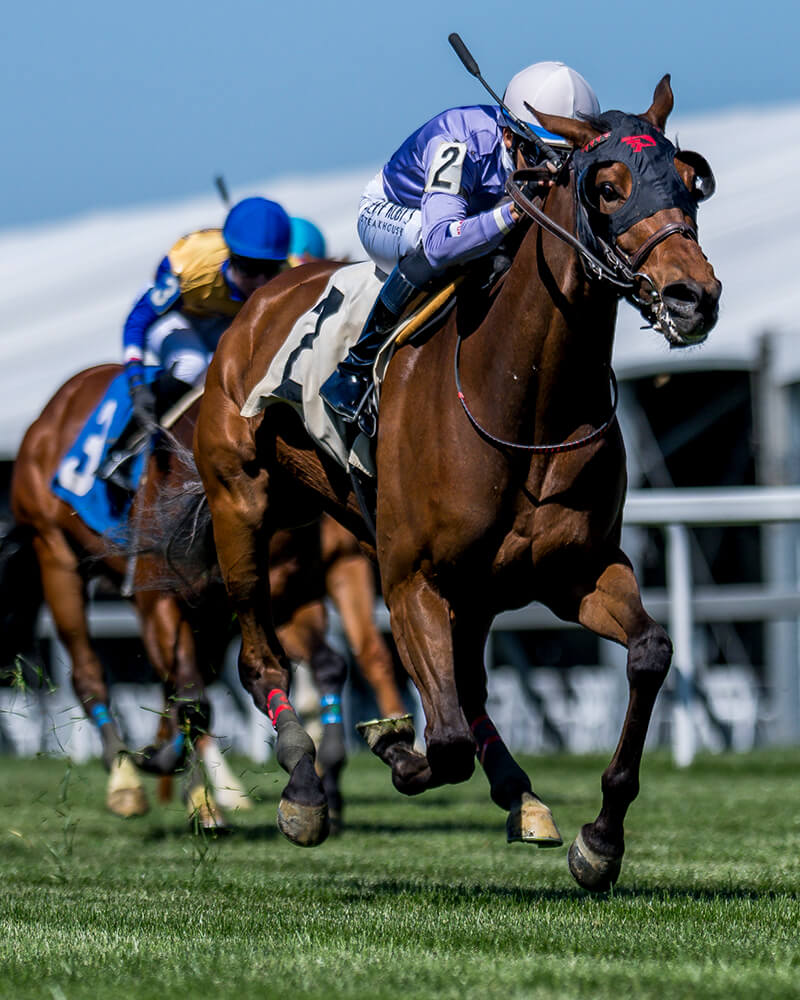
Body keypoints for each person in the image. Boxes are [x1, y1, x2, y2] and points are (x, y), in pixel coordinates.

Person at [320, 61, 600, 424]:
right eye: (540, 155)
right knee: (444, 251)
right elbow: (439, 242)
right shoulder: (457, 142)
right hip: (396, 212)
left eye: (565, 159)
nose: (550, 170)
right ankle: (356, 366)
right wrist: (512, 214)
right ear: (509, 135)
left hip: (468, 215)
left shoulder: (521, 146)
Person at [122, 196, 293, 432]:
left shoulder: (289, 276)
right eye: (250, 268)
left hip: (222, 320)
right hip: (176, 315)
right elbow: (137, 322)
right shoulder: (192, 267)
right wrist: (136, 385)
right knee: (192, 365)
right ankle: (127, 446)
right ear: (231, 256)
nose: (261, 282)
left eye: (269, 269)